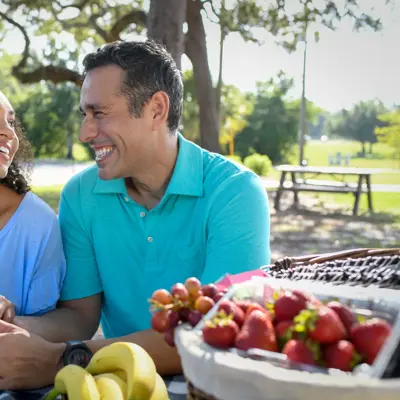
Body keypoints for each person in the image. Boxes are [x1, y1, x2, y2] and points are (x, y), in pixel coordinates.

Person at [0, 39, 271, 390]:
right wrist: (15, 329)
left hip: (215, 388)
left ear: (156, 109)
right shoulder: (82, 195)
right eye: (85, 115)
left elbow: (216, 332)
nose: (85, 132)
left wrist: (64, 359)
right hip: (125, 383)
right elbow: (79, 317)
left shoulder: (235, 193)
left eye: (99, 113)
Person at [0, 90, 66, 322]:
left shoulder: (38, 226)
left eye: (10, 122)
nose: (9, 132)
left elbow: (50, 338)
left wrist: (11, 321)